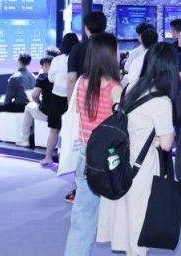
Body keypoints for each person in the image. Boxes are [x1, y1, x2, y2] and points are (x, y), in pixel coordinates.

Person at [98, 41, 178, 256]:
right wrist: (158, 140)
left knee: (126, 213)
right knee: (139, 217)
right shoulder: (161, 100)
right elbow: (167, 143)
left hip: (123, 159)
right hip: (144, 165)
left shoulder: (131, 87)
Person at [64, 33, 123, 256]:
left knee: (82, 218)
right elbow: (121, 126)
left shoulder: (82, 82)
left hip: (84, 153)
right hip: (108, 159)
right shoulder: (115, 88)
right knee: (119, 216)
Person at [36, 34, 74, 167]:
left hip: (57, 97)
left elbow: (50, 78)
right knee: (72, 131)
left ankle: (48, 157)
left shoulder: (57, 60)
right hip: (73, 98)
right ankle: (69, 161)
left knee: (54, 130)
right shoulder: (80, 58)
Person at [0, 54, 35, 140]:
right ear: (29, 63)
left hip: (20, 107)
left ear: (18, 61)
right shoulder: (33, 76)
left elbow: (7, 100)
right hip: (30, 106)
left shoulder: (14, 77)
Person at [16, 56, 52, 149]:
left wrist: (38, 102)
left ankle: (25, 139)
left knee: (29, 107)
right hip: (62, 114)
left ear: (45, 65)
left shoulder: (43, 77)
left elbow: (34, 95)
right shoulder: (63, 76)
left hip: (47, 114)